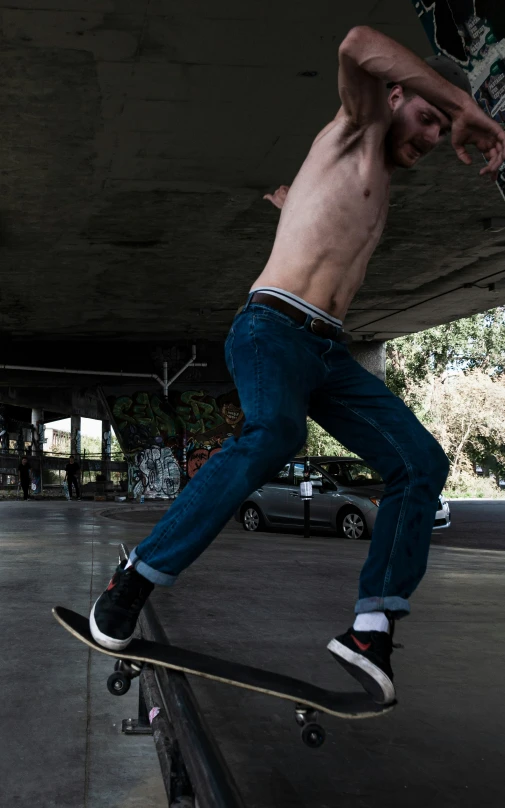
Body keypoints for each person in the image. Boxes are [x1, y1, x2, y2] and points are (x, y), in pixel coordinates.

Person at [89, 27, 505, 704]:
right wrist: (463, 103)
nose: (431, 139)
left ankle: (370, 627)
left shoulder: (368, 175)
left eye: (439, 131)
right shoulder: (358, 124)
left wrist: (292, 206)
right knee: (274, 432)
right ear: (392, 96)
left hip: (326, 352)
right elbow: (358, 43)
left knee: (420, 462)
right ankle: (134, 579)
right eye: (426, 119)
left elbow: (320, 225)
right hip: (270, 332)